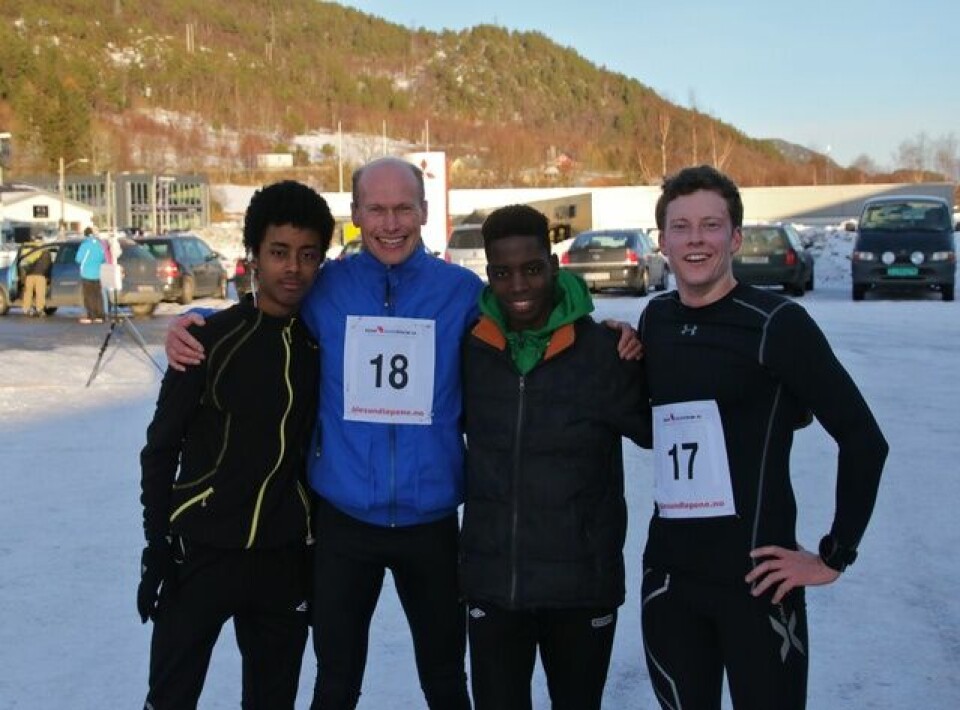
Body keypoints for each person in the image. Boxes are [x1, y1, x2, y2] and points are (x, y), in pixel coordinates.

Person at [164, 158, 640, 709]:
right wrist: (194, 317)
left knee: (444, 680)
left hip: (430, 524)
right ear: (356, 215)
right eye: (376, 210)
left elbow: (536, 317)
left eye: (402, 209)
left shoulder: (462, 294)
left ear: (423, 212)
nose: (390, 224)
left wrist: (611, 332)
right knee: (335, 682)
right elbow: (265, 308)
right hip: (345, 522)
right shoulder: (328, 287)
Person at [636, 165, 888, 709]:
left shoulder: (777, 322)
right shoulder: (655, 319)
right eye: (681, 227)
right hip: (670, 580)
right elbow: (650, 423)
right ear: (663, 241)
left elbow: (863, 438)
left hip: (758, 583)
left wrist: (833, 556)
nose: (696, 239)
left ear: (736, 237)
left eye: (710, 225)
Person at [138, 180, 334, 709]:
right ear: (253, 256)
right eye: (279, 252)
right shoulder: (207, 339)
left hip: (283, 560)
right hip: (201, 552)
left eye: (307, 254)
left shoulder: (324, 346)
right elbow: (160, 450)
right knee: (171, 698)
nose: (292, 267)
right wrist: (157, 547)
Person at [459, 204, 650, 710]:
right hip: (494, 584)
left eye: (531, 268)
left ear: (553, 265)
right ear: (489, 274)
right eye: (502, 272)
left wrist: (646, 346)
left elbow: (663, 428)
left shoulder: (604, 352)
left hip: (581, 586)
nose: (518, 285)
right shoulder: (470, 351)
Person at [76, 226, 106, 323]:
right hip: (98, 274)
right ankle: (100, 315)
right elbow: (103, 259)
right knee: (98, 295)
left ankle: (91, 315)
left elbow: (78, 259)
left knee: (89, 296)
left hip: (86, 273)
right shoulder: (99, 244)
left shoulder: (85, 245)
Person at [20, 240, 52, 317]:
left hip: (29, 275)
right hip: (40, 275)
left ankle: (26, 309)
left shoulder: (29, 251)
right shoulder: (45, 252)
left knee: (28, 292)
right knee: (40, 293)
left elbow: (23, 263)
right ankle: (39, 309)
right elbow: (47, 266)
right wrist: (48, 276)